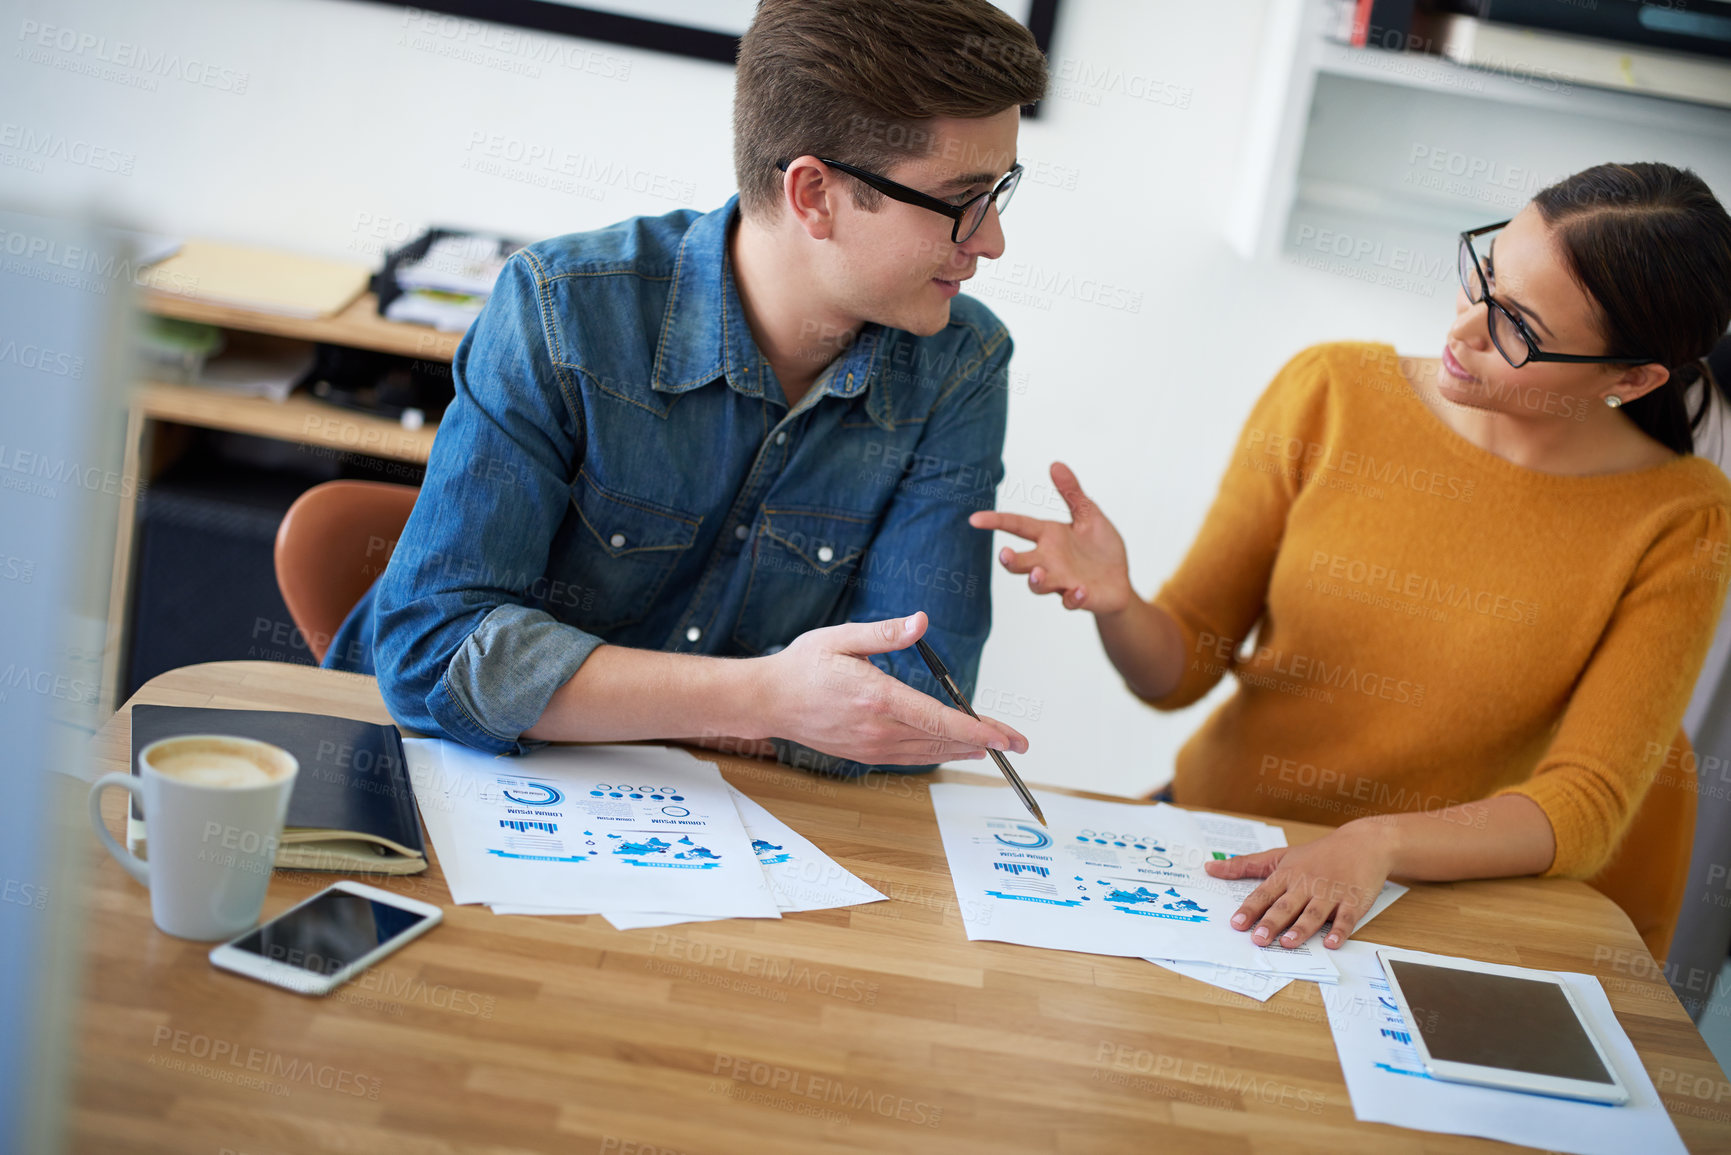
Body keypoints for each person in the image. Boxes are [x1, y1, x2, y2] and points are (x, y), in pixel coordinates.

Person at [972, 162, 1731, 955]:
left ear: (1631, 378)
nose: (1463, 327)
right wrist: (1120, 604)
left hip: (1419, 916)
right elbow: (1180, 671)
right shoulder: (1331, 391)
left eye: (1519, 327)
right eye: (1484, 273)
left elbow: (1584, 804)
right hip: (1218, 856)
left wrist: (1376, 843)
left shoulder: (1678, 518)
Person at [325, 0, 1047, 775]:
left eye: (998, 191)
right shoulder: (563, 310)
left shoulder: (960, 363)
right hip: (428, 781)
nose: (993, 241)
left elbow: (918, 713)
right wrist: (767, 698)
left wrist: (593, 695)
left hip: (719, 828)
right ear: (813, 194)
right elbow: (433, 655)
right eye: (961, 202)